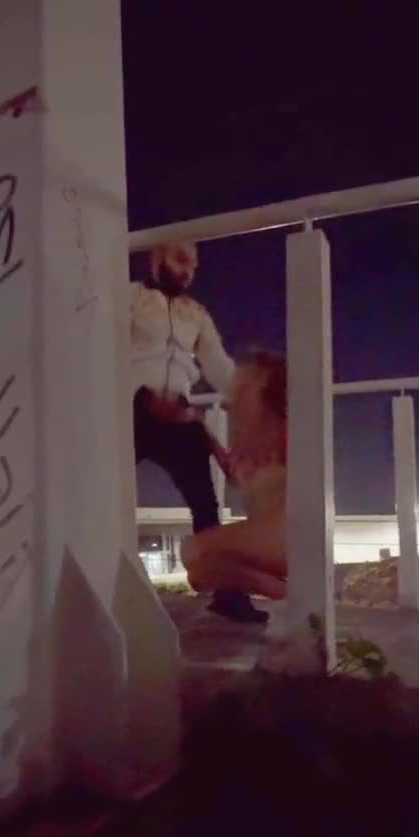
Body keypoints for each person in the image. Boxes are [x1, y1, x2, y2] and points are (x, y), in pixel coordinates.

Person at [131, 241, 268, 623]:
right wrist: (134, 395)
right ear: (156, 257)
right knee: (101, 492)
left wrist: (260, 398)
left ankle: (228, 595)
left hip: (178, 414)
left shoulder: (196, 313)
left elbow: (219, 367)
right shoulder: (127, 297)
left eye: (193, 265)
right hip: (130, 410)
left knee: (206, 504)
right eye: (180, 259)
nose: (187, 271)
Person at [182, 351, 287, 602]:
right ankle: (283, 592)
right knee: (198, 573)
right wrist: (201, 427)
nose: (233, 396)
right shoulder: (250, 447)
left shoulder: (285, 433)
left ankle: (286, 592)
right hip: (264, 539)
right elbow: (232, 473)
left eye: (243, 389)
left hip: (289, 536)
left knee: (192, 550)